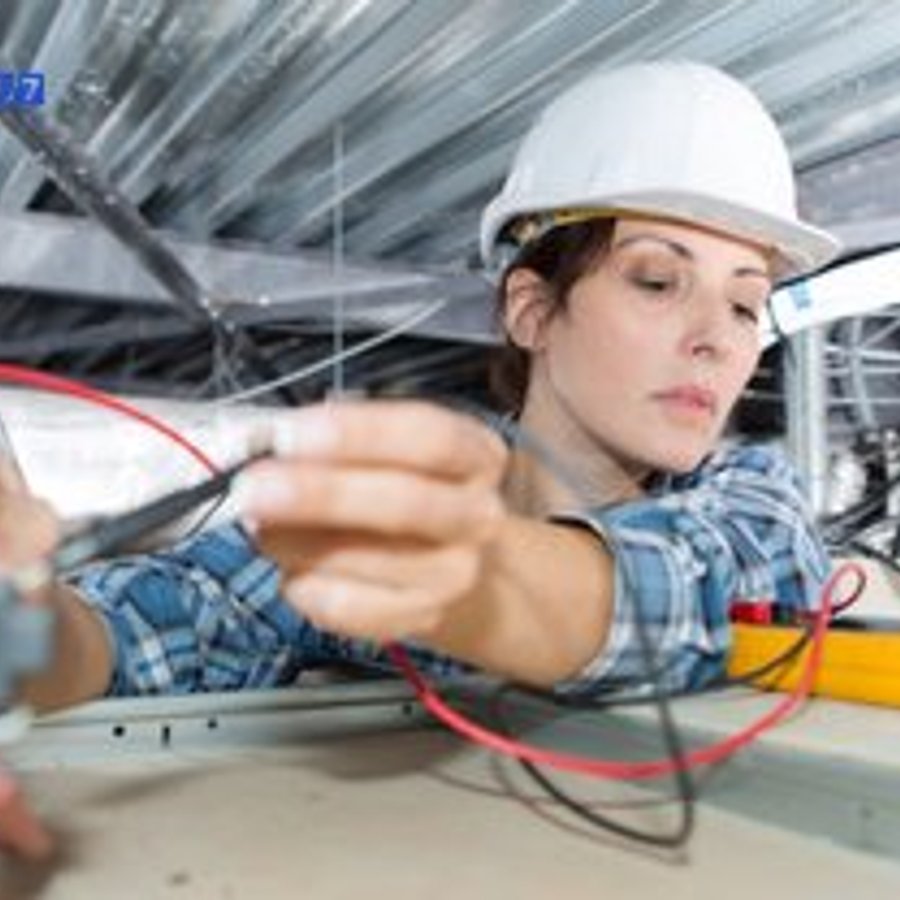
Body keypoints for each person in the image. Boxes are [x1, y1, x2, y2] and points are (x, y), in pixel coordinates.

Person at [7, 59, 840, 713]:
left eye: (744, 305)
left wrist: (470, 577)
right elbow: (133, 635)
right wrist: (27, 614)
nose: (713, 342)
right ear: (533, 309)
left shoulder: (756, 510)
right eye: (657, 282)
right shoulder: (371, 514)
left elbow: (711, 588)